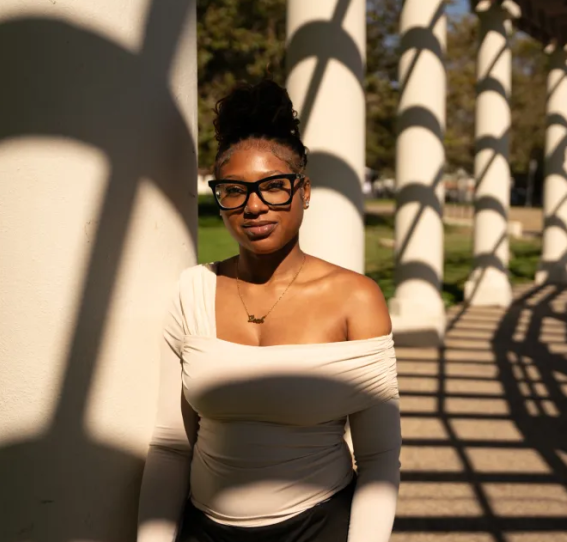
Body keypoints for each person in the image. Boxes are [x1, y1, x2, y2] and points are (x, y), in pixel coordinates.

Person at [136, 80, 401, 542]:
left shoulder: (355, 299)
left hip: (319, 526)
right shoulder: (193, 289)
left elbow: (378, 457)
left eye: (274, 187)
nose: (254, 206)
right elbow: (171, 445)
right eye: (234, 190)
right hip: (205, 530)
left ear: (304, 191)